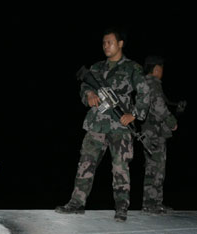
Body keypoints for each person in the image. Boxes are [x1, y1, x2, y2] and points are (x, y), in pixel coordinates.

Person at [55, 28, 149, 222]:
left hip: (120, 125)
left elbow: (144, 94)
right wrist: (88, 95)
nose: (106, 46)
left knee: (120, 167)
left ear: (120, 44)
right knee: (86, 162)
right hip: (96, 123)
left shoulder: (132, 67)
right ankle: (76, 203)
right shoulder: (96, 68)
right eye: (104, 43)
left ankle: (121, 208)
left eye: (110, 42)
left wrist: (134, 115)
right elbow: (85, 86)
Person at [140, 55, 178, 214]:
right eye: (161, 69)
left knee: (153, 167)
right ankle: (151, 203)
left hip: (148, 131)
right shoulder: (153, 84)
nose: (162, 72)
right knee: (156, 168)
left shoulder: (144, 83)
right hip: (154, 132)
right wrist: (171, 121)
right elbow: (159, 106)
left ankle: (154, 202)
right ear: (156, 69)